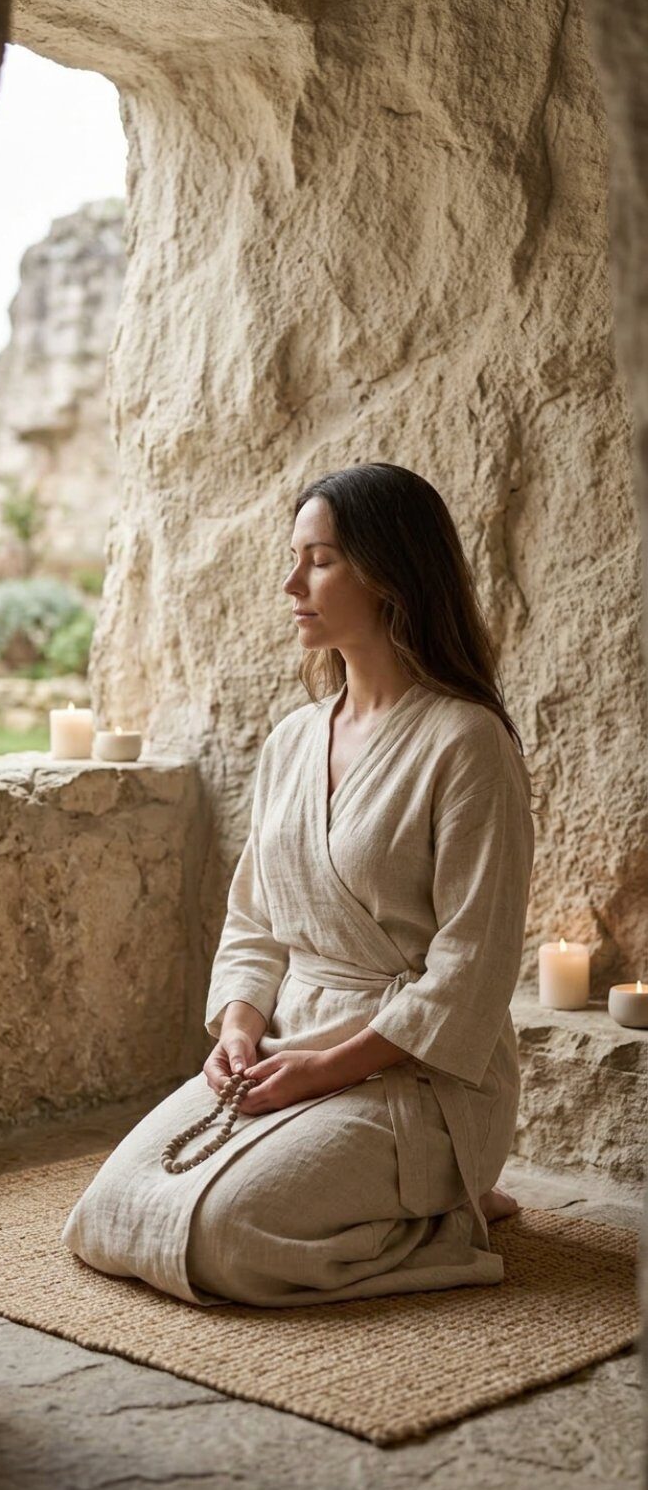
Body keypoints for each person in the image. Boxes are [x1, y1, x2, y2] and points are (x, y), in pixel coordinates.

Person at [62, 462, 536, 1308]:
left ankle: (446, 1207)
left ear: (390, 572)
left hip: (416, 1077)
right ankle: (391, 1200)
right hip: (283, 1049)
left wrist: (326, 1071)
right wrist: (241, 1028)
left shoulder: (467, 745)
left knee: (225, 1240)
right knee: (106, 1218)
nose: (291, 583)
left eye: (318, 560)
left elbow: (473, 967)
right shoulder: (291, 740)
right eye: (295, 557)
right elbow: (254, 918)